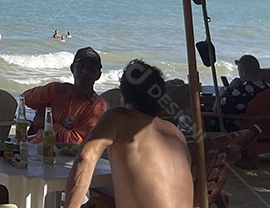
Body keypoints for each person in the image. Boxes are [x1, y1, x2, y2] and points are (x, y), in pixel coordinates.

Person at [0, 46, 108, 205]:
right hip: (32, 154)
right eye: (81, 66)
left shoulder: (97, 106)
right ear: (72, 68)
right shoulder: (58, 91)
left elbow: (75, 141)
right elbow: (26, 98)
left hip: (58, 164)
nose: (85, 72)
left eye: (91, 69)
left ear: (98, 75)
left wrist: (47, 124)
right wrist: (57, 87)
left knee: (2, 194)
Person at [65, 59, 194, 208]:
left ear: (124, 96)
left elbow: (85, 158)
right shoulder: (175, 133)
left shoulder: (119, 117)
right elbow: (165, 190)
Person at [208, 54, 270, 131]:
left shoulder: (241, 91)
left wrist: (225, 91)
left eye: (239, 70)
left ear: (244, 71)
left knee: (195, 113)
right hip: (261, 129)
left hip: (236, 130)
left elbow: (217, 110)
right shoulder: (269, 88)